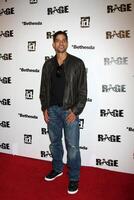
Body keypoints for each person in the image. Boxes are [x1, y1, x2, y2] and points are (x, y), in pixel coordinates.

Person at [40, 31, 87, 194]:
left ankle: (74, 178)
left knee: (72, 147)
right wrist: (44, 108)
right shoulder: (47, 65)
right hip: (52, 110)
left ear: (67, 43)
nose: (61, 43)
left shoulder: (77, 64)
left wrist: (75, 111)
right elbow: (44, 89)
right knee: (54, 143)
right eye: (57, 41)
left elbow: (82, 91)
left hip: (69, 111)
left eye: (63, 40)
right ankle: (57, 168)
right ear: (53, 44)